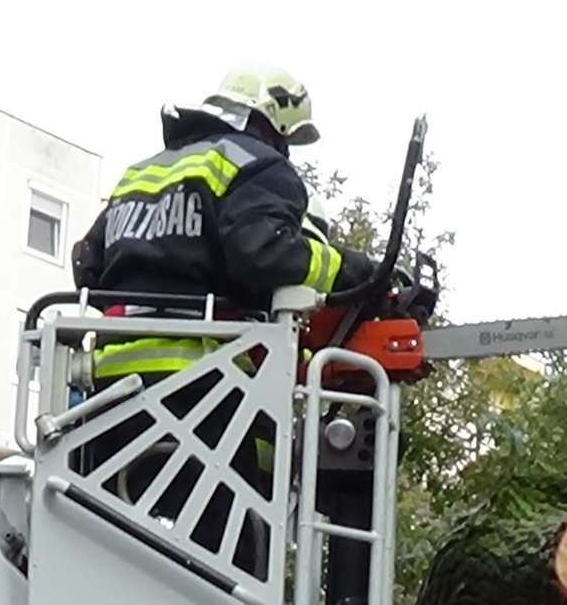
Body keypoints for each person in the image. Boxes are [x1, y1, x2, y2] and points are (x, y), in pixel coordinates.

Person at [68, 61, 377, 576]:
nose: (285, 152)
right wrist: (348, 269)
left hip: (114, 400)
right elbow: (265, 255)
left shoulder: (144, 172)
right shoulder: (254, 164)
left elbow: (88, 263)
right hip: (206, 396)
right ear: (269, 121)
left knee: (121, 564)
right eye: (287, 139)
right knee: (231, 569)